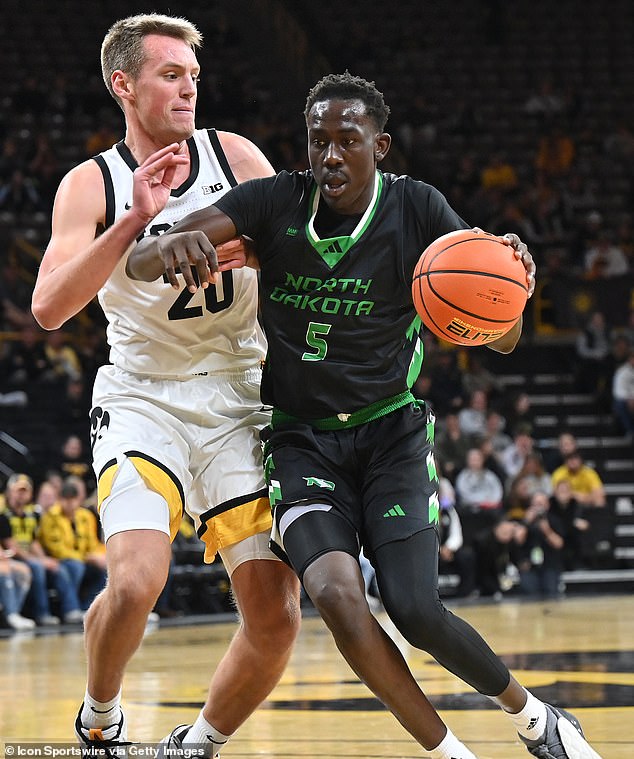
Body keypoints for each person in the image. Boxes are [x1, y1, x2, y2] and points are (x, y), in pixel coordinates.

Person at [128, 72, 600, 759]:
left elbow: (503, 340)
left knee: (415, 610)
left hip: (390, 435)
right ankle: (452, 754)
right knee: (337, 597)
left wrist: (506, 289)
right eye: (318, 140)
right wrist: (167, 244)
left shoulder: (417, 207)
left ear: (379, 146)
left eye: (347, 140)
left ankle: (536, 719)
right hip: (301, 440)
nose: (330, 155)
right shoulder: (273, 201)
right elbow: (141, 262)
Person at [30, 13, 301, 755]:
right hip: (144, 396)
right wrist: (135, 223)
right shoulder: (91, 183)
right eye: (171, 75)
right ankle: (101, 711)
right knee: (136, 581)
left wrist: (250, 251)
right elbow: (48, 307)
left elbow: (304, 251)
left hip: (240, 394)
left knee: (277, 616)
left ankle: (197, 742)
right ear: (123, 84)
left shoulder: (234, 156)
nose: (189, 90)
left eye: (194, 77)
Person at [0, 473, 84, 625]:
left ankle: (71, 610)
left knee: (58, 568)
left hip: (27, 556)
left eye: (25, 491)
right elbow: (13, 547)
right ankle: (41, 613)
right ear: (10, 492)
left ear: (30, 493)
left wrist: (45, 559)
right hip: (13, 556)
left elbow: (34, 542)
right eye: (18, 490)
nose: (21, 494)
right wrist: (38, 560)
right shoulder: (4, 515)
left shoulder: (31, 515)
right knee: (37, 567)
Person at [38, 479, 107, 610]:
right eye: (66, 499)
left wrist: (98, 556)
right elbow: (56, 548)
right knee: (76, 567)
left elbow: (92, 542)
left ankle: (89, 607)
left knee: (104, 569)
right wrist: (85, 557)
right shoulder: (51, 516)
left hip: (82, 559)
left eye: (72, 499)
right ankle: (71, 608)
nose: (69, 503)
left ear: (78, 500)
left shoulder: (85, 516)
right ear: (60, 499)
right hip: (60, 560)